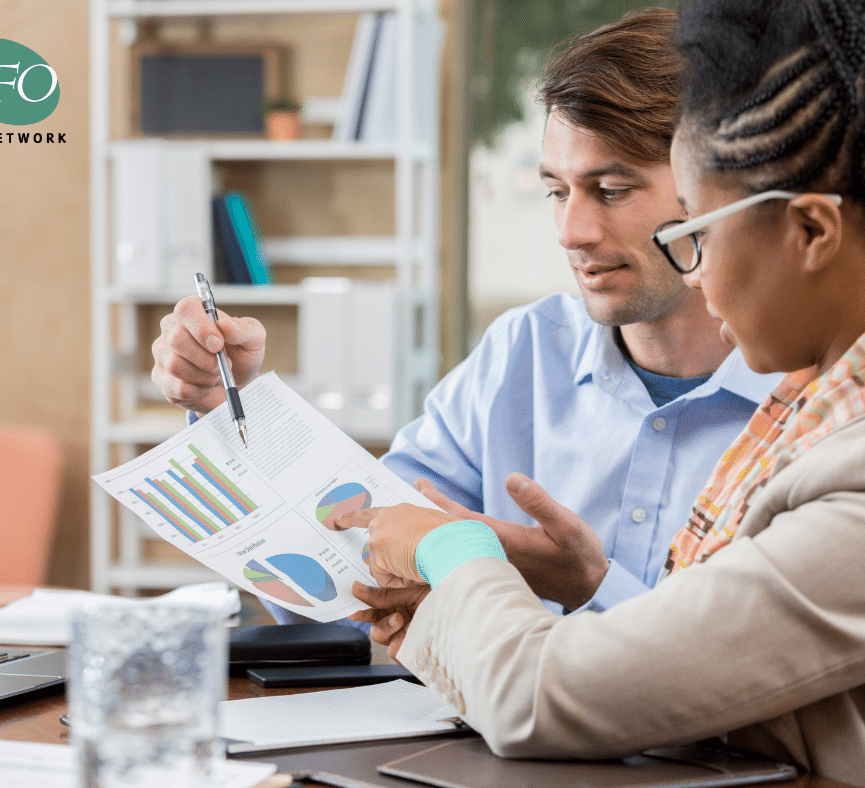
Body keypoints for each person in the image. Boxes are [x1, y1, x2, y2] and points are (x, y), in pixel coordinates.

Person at [331, 0, 865, 784]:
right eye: (556, 191)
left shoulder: (844, 471)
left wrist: (452, 549)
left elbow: (536, 695)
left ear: (814, 233)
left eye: (702, 235)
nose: (697, 267)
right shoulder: (807, 412)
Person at [150, 8, 779, 623]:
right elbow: (350, 575)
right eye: (558, 192)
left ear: (718, 189)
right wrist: (233, 408)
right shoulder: (523, 353)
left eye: (612, 191)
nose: (572, 231)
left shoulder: (818, 405)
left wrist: (589, 586)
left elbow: (761, 681)